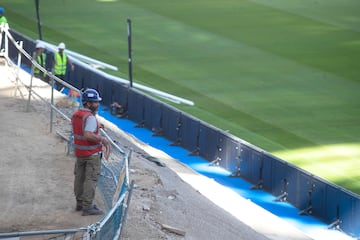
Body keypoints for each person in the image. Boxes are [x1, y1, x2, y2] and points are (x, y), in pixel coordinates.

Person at [71, 88, 110, 216]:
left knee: (79, 178)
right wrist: (102, 139)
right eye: (95, 102)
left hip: (79, 152)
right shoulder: (90, 117)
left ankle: (79, 203)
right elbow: (87, 134)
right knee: (90, 179)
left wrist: (96, 127)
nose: (98, 104)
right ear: (88, 103)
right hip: (91, 154)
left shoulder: (77, 114)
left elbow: (81, 129)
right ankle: (87, 207)